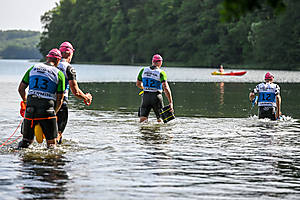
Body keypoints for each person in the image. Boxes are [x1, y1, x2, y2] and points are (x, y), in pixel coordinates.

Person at [18, 49, 65, 148]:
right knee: (52, 145)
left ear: (47, 57)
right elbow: (60, 99)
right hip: (47, 110)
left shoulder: (33, 68)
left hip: (30, 110)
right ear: (58, 60)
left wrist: (26, 102)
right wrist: (54, 113)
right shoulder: (59, 74)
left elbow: (21, 89)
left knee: (25, 143)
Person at [56, 41, 92, 144]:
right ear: (70, 54)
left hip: (46, 101)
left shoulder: (52, 65)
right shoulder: (68, 68)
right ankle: (55, 155)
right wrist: (86, 97)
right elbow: (75, 91)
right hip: (61, 103)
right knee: (58, 133)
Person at [136, 54, 173, 123]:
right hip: (156, 97)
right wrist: (171, 102)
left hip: (145, 97)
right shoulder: (161, 72)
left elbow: (138, 84)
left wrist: (146, 88)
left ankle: (144, 132)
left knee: (143, 120)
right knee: (161, 120)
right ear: (160, 62)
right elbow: (166, 88)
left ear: (152, 61)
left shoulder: (143, 70)